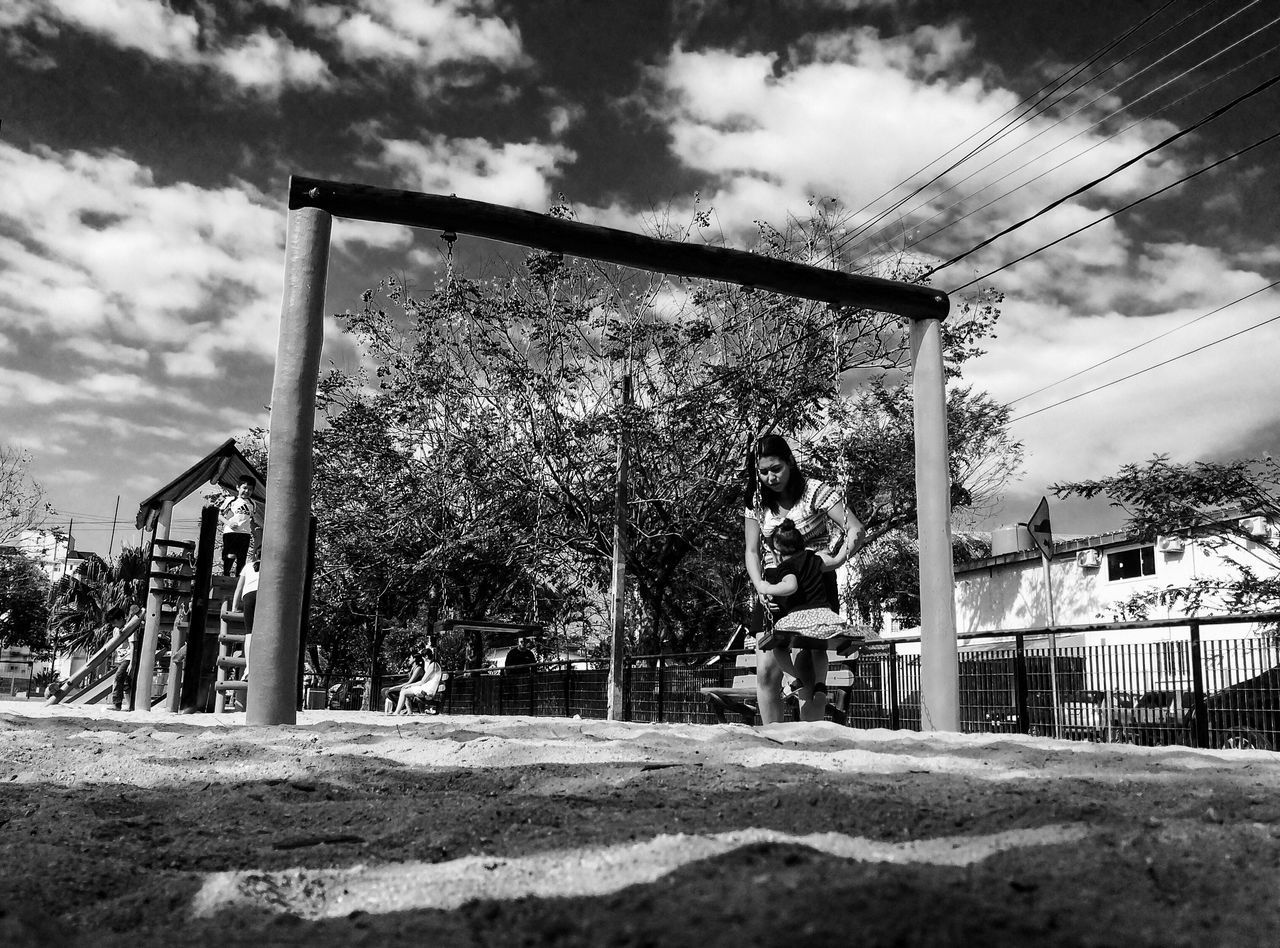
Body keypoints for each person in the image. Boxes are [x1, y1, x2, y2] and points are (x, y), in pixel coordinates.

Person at [744, 434, 865, 724]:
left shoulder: (814, 491)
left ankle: (809, 737)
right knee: (767, 666)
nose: (770, 477)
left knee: (809, 663)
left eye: (776, 469)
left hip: (813, 586)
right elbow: (750, 550)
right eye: (763, 472)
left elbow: (855, 530)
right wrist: (761, 586)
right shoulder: (757, 502)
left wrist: (835, 560)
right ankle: (772, 736)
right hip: (774, 587)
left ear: (789, 462)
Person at [219, 476, 261, 577]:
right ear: (238, 487)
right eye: (244, 488)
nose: (246, 491)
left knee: (241, 557)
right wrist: (229, 523)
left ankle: (239, 578)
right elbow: (219, 515)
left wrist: (255, 529)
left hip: (245, 534)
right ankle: (226, 575)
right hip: (230, 533)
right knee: (229, 555)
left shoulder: (252, 503)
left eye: (250, 489)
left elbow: (251, 518)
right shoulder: (231, 500)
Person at [107, 605, 144, 712]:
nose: (113, 624)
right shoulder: (116, 630)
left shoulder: (130, 629)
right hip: (120, 658)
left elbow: (133, 646)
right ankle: (130, 706)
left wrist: (132, 663)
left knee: (118, 678)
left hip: (128, 658)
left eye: (114, 622)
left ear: (121, 619)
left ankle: (116, 703)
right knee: (126, 682)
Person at [396, 648, 444, 714]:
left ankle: (396, 712)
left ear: (426, 656)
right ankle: (408, 712)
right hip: (429, 688)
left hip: (428, 690)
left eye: (423, 657)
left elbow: (422, 681)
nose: (423, 659)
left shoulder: (433, 665)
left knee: (404, 692)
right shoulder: (434, 664)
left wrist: (409, 685)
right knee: (405, 690)